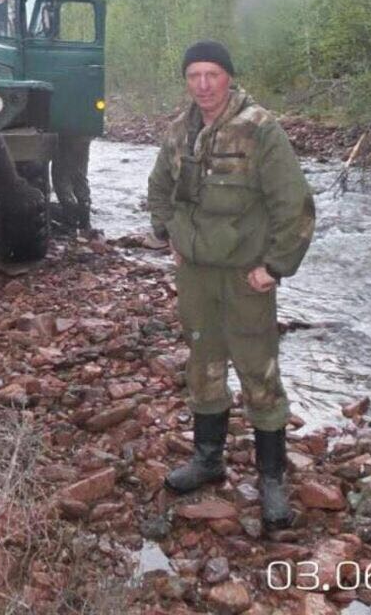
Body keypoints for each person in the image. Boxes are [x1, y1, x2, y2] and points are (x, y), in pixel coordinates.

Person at [147, 40, 315, 530]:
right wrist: (168, 234)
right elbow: (159, 189)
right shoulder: (179, 132)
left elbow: (295, 204)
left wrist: (276, 265)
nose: (202, 85)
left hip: (246, 275)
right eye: (194, 75)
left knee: (257, 368)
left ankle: (271, 478)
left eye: (212, 74)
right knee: (202, 360)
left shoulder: (260, 129)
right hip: (195, 273)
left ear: (228, 77)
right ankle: (208, 458)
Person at [51, 133, 92, 230]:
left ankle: (70, 223)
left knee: (61, 179)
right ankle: (85, 221)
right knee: (80, 176)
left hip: (65, 136)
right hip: (84, 134)